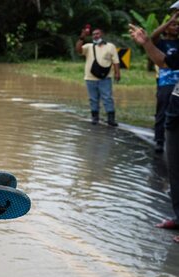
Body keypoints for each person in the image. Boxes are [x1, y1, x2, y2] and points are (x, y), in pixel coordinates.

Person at [130, 24, 179, 239]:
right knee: (175, 171)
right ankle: (178, 217)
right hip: (175, 114)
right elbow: (164, 62)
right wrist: (146, 43)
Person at [76, 26, 121, 126]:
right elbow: (78, 50)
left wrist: (117, 73)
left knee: (107, 98)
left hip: (106, 78)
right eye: (93, 34)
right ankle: (95, 118)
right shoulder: (88, 46)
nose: (95, 36)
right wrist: (81, 38)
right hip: (90, 78)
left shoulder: (110, 46)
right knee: (93, 99)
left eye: (97, 34)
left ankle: (111, 119)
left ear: (102, 34)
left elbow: (116, 61)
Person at [152, 12, 179, 153]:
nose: (176, 27)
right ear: (167, 28)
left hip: (178, 84)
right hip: (165, 82)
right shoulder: (162, 43)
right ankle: (159, 140)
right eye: (173, 25)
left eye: (177, 25)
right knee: (162, 111)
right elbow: (153, 37)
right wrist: (169, 21)